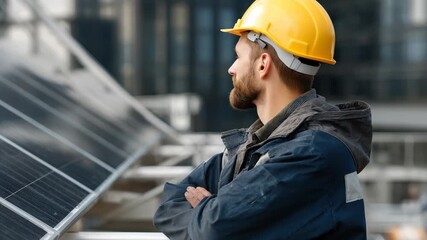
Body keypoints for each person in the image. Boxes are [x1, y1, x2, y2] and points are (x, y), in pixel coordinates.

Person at [153, 0, 372, 239]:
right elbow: (170, 203)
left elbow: (213, 231)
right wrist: (211, 210)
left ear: (263, 64)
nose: (231, 68)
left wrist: (208, 209)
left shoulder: (311, 153)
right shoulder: (257, 145)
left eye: (238, 56)